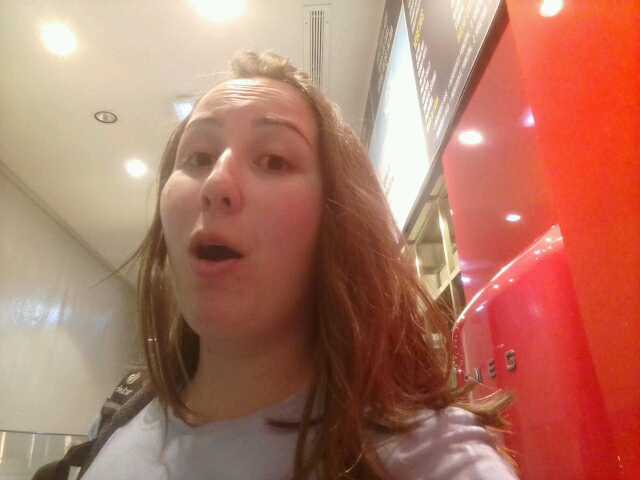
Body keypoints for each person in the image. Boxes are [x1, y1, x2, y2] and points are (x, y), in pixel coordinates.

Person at [79, 51, 517, 480]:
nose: (216, 184)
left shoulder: (425, 457)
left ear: (336, 220)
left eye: (274, 160)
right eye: (198, 157)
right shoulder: (120, 416)